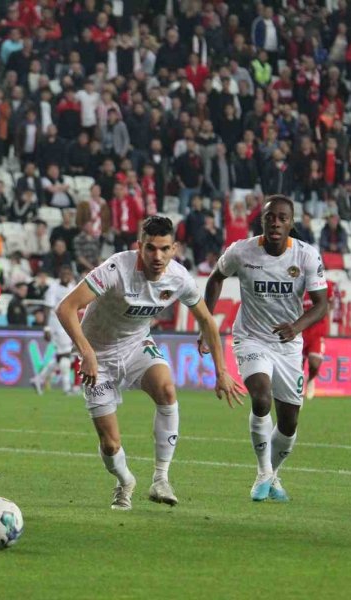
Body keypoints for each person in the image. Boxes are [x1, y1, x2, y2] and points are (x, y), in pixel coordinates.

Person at [56, 215, 243, 510]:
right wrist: (87, 353)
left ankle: (161, 479)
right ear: (139, 247)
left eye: (165, 249)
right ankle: (125, 481)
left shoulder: (179, 278)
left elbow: (207, 320)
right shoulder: (116, 269)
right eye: (151, 248)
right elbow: (66, 308)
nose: (158, 256)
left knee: (167, 390)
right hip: (98, 356)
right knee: (110, 444)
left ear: (174, 249)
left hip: (136, 347)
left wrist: (222, 371)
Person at [203, 195, 328, 502]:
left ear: (291, 223)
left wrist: (296, 326)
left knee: (289, 422)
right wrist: (206, 325)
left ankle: (273, 474)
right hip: (251, 338)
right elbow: (215, 279)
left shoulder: (306, 256)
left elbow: (322, 305)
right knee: (261, 398)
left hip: (287, 345)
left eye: (282, 218)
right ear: (262, 220)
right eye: (270, 217)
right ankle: (262, 472)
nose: (275, 223)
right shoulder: (241, 250)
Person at [31, 264, 77, 395]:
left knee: (60, 357)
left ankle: (38, 379)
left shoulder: (72, 287)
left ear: (71, 276)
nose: (66, 276)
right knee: (66, 355)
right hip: (56, 324)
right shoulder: (53, 288)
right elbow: (47, 307)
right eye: (63, 274)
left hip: (67, 324)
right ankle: (67, 388)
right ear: (59, 275)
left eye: (68, 274)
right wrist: (46, 328)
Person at [301, 280, 335, 400]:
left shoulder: (326, 284)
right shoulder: (297, 283)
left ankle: (310, 379)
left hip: (317, 330)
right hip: (300, 329)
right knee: (297, 364)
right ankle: (298, 389)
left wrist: (324, 315)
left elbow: (331, 303)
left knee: (314, 364)